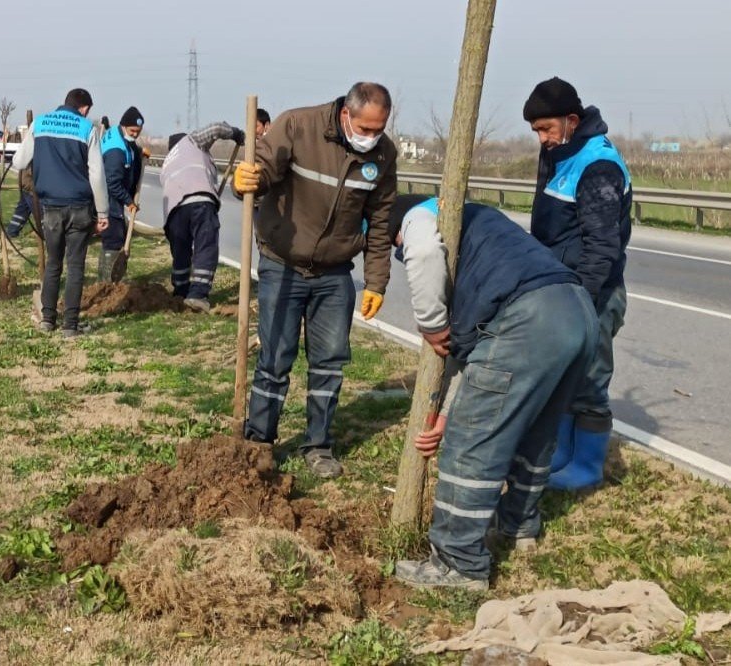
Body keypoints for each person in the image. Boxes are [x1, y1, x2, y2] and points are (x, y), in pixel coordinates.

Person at [388, 194, 598, 590]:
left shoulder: (418, 218)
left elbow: (423, 253)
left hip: (528, 318)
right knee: (536, 431)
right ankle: (518, 526)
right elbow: (472, 358)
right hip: (576, 310)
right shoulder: (483, 224)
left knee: (471, 444)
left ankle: (458, 563)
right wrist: (447, 415)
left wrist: (431, 323)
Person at [232, 82, 397, 479]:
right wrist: (247, 179)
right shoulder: (297, 126)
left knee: (329, 364)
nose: (372, 138)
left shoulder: (384, 155)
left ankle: (319, 445)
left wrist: (376, 281)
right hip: (282, 264)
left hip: (335, 274)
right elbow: (264, 169)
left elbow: (380, 221)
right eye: (366, 129)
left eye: (380, 129)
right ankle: (259, 441)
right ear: (346, 115)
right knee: (274, 359)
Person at [522, 77, 632, 490]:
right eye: (536, 131)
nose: (542, 138)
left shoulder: (597, 165)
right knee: (567, 375)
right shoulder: (559, 153)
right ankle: (563, 456)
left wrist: (582, 304)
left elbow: (601, 248)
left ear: (571, 120)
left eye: (546, 128)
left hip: (593, 295)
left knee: (588, 379)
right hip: (562, 289)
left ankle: (586, 468)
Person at [12, 88, 109, 338]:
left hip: (51, 208)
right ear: (85, 108)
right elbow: (97, 174)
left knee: (54, 263)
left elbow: (19, 163)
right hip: (80, 208)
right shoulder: (87, 128)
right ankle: (70, 325)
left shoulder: (40, 123)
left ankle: (47, 320)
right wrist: (103, 213)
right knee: (75, 265)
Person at [160, 121, 245, 312]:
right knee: (205, 246)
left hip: (173, 211)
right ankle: (198, 295)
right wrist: (237, 134)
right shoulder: (190, 142)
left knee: (180, 251)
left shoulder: (167, 162)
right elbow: (215, 129)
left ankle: (180, 291)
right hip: (199, 201)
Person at [98, 106, 145, 280]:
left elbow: (130, 149)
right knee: (114, 239)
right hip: (108, 201)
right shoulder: (116, 150)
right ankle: (109, 283)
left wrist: (139, 152)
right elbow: (112, 183)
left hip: (111, 200)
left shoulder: (119, 136)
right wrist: (129, 201)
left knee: (115, 237)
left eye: (138, 132)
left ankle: (106, 280)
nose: (135, 134)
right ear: (124, 126)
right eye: (133, 131)